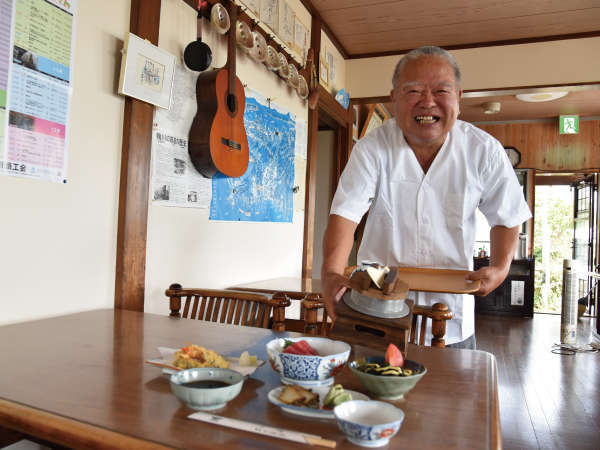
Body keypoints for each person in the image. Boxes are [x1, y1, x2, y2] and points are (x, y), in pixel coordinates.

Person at [321, 46, 531, 348]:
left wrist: (500, 268)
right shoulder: (371, 149)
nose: (427, 102)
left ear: (459, 96)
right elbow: (345, 214)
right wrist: (330, 272)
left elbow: (508, 215)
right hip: (375, 310)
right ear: (394, 98)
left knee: (452, 394)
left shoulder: (483, 150)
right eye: (413, 91)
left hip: (450, 317)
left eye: (441, 91)